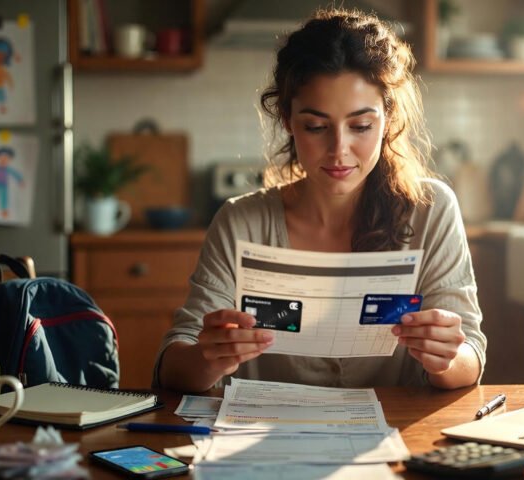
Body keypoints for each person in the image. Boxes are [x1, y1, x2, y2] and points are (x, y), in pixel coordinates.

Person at [155, 8, 485, 392]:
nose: (338, 150)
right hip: (262, 440)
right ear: (287, 119)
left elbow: (470, 357)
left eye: (361, 126)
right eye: (315, 127)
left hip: (396, 438)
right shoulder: (240, 222)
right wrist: (207, 358)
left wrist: (446, 356)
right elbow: (172, 368)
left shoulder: (431, 209)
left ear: (388, 119)